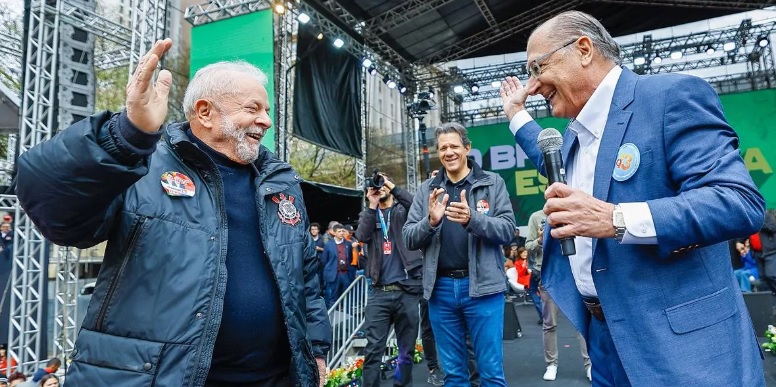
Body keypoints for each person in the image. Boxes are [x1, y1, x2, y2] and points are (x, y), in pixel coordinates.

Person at [16, 39, 331, 386]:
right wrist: (125, 135)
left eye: (267, 110)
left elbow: (305, 281)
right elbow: (52, 203)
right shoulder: (140, 164)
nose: (266, 121)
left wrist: (314, 349)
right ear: (205, 112)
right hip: (158, 378)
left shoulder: (280, 183)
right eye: (253, 108)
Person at [499, 10, 765, 386]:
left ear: (584, 49)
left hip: (680, 349)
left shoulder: (669, 98)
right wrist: (515, 115)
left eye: (537, 67)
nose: (533, 86)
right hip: (605, 339)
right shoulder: (575, 136)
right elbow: (550, 159)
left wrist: (616, 219)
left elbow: (737, 200)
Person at [403, 122, 515, 386]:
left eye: (454, 146)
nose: (448, 152)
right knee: (453, 375)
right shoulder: (426, 190)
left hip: (484, 289)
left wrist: (472, 220)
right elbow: (408, 237)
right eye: (443, 148)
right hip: (440, 291)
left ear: (467, 148)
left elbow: (508, 230)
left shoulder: (491, 182)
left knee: (490, 373)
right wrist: (430, 222)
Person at [354, 174, 422, 387]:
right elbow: (361, 236)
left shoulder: (403, 211)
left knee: (405, 351)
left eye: (383, 183)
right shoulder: (370, 214)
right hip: (379, 293)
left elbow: (416, 204)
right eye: (376, 184)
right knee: (373, 350)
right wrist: (371, 205)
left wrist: (392, 186)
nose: (379, 187)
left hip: (407, 290)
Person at [526, 209, 591, 382]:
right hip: (548, 275)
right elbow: (528, 246)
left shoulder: (573, 212)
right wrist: (539, 241)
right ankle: (551, 364)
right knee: (549, 324)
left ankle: (590, 364)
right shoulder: (537, 217)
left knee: (582, 323)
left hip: (574, 273)